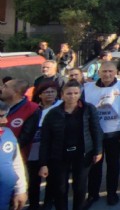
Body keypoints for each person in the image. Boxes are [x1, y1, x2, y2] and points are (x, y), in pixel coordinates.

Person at [38, 80, 103, 210]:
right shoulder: (53, 113)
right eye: (69, 93)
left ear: (80, 94)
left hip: (83, 153)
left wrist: (98, 150)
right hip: (60, 155)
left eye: (75, 93)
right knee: (60, 188)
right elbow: (45, 140)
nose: (72, 96)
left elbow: (96, 130)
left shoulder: (88, 109)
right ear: (62, 95)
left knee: (80, 187)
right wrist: (43, 164)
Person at [83, 62, 120, 207]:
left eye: (110, 71)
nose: (107, 74)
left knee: (113, 164)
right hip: (95, 133)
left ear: (116, 72)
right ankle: (93, 194)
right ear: (98, 73)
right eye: (104, 71)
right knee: (95, 165)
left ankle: (112, 192)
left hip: (115, 132)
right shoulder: (88, 88)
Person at [19, 82, 62, 210]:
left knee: (51, 177)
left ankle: (48, 202)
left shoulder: (60, 107)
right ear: (40, 94)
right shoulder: (34, 109)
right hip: (35, 147)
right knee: (34, 179)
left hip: (53, 148)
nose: (50, 94)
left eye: (52, 91)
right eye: (46, 92)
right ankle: (34, 204)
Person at [0, 100, 28, 210]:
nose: (5, 120)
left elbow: (17, 164)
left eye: (5, 115)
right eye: (0, 116)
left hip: (5, 195)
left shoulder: (8, 134)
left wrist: (21, 190)